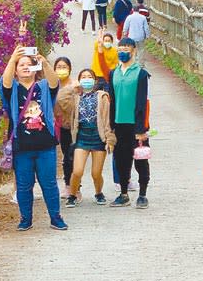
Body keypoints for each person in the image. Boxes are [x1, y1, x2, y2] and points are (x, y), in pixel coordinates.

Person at [0, 45, 68, 232]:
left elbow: (55, 83)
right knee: (24, 185)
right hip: (22, 146)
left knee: (49, 183)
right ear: (15, 70)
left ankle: (56, 217)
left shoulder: (43, 87)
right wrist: (13, 58)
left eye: (28, 64)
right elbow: (5, 82)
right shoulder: (13, 89)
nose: (24, 67)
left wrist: (45, 63)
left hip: (45, 145)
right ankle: (25, 219)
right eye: (20, 65)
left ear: (35, 68)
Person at [108, 37, 150, 208]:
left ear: (133, 50)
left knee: (141, 159)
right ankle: (123, 193)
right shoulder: (113, 73)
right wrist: (111, 126)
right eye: (120, 49)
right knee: (121, 159)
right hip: (119, 124)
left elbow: (142, 102)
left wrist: (141, 128)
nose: (123, 51)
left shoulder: (141, 73)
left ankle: (142, 194)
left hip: (136, 124)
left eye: (126, 48)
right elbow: (112, 100)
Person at [65, 69, 116, 207]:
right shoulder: (76, 96)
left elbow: (108, 119)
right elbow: (63, 105)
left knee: (96, 173)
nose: (86, 79)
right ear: (79, 80)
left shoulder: (102, 96)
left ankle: (99, 193)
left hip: (98, 137)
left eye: (89, 77)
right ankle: (72, 195)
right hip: (82, 138)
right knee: (77, 171)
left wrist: (110, 139)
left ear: (95, 80)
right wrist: (72, 89)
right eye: (83, 77)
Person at [53, 56, 76, 197]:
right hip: (60, 126)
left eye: (64, 67)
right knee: (66, 155)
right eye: (59, 67)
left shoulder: (75, 86)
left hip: (73, 126)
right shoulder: (52, 86)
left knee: (73, 156)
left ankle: (75, 186)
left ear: (70, 69)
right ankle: (68, 185)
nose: (61, 70)